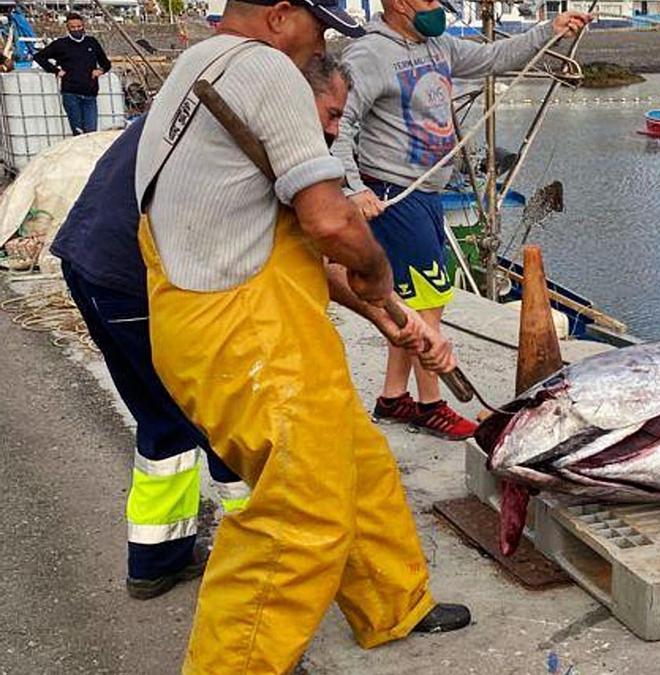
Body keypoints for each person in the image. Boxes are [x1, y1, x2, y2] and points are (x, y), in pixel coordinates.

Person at [133, 1, 468, 671]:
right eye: (321, 27)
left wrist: (393, 317)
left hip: (244, 320)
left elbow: (305, 256)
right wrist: (378, 272)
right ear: (281, 15)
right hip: (243, 334)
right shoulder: (267, 69)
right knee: (301, 508)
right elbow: (330, 226)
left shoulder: (199, 64)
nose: (324, 44)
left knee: (357, 455)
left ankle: (393, 602)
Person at [50, 54, 404, 603]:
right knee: (232, 426)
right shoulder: (261, 134)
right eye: (331, 114)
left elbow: (305, 252)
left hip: (90, 262)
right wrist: (381, 302)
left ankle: (155, 559)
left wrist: (383, 319)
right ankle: (275, 567)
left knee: (162, 419)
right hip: (135, 278)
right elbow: (326, 238)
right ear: (293, 93)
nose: (334, 131)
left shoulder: (204, 110)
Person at [332, 0, 591, 441]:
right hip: (397, 195)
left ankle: (394, 397)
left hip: (430, 193)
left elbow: (494, 58)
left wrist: (551, 28)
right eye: (429, 0)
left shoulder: (440, 46)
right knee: (426, 305)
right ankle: (433, 403)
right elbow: (340, 125)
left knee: (415, 302)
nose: (437, 8)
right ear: (397, 3)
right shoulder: (368, 55)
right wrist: (354, 188)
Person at [33, 12, 111, 135]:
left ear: (83, 26)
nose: (76, 30)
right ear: (68, 28)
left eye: (79, 27)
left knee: (91, 131)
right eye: (73, 27)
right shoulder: (60, 44)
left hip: (90, 93)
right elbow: (39, 56)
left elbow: (106, 63)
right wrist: (56, 70)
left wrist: (100, 70)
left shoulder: (92, 42)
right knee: (78, 132)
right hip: (71, 94)